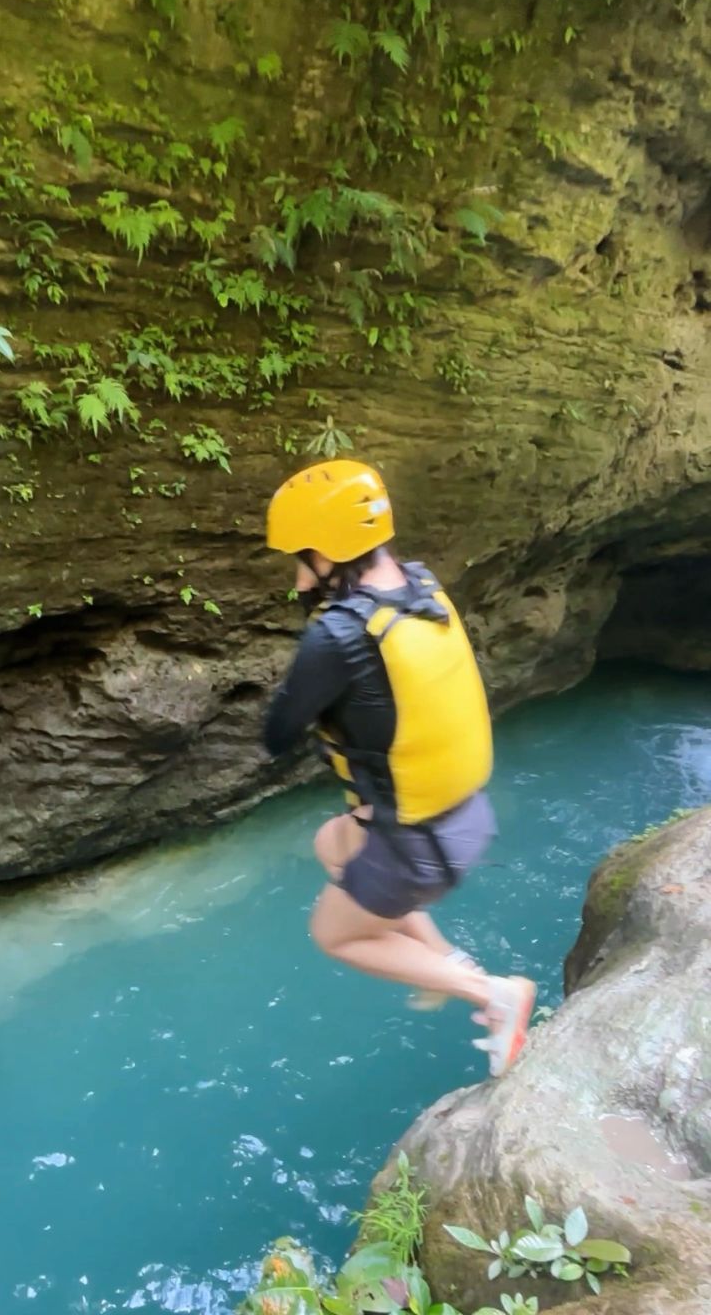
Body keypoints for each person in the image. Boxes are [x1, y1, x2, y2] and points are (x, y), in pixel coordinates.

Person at [263, 458, 535, 1077]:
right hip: (465, 819)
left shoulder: (337, 636)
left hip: (415, 845)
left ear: (327, 552)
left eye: (301, 556)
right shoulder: (421, 589)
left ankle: (493, 993)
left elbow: (277, 733)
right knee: (331, 844)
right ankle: (444, 962)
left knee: (335, 935)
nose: (298, 574)